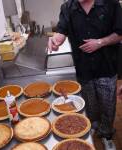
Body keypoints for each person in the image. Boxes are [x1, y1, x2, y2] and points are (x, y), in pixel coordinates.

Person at [48, 0, 122, 150]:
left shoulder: (111, 4)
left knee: (108, 106)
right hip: (83, 68)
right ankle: (93, 128)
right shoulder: (67, 7)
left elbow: (120, 33)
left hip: (106, 66)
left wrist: (100, 42)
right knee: (90, 104)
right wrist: (55, 40)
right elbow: (62, 31)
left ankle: (107, 135)